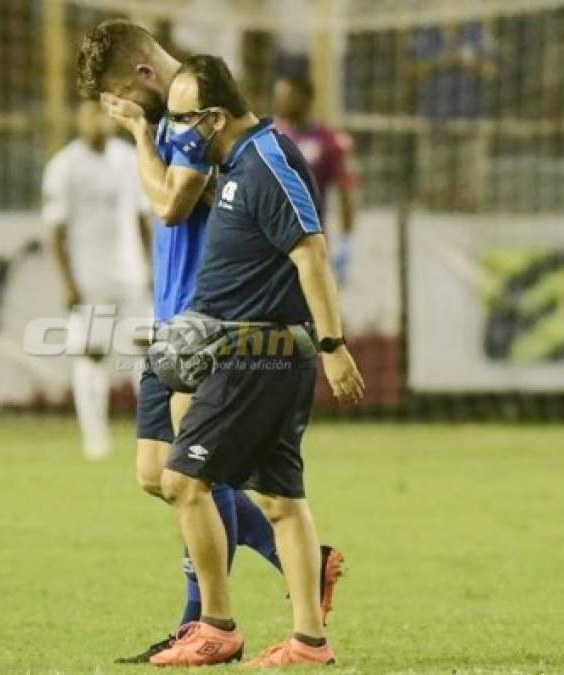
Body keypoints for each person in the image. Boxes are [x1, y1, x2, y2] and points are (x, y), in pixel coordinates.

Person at [76, 20, 345, 663]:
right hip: (181, 319)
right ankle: (296, 574)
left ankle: (209, 621)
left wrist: (141, 134)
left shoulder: (194, 124)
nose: (120, 104)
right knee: (164, 475)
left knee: (190, 477)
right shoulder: (191, 118)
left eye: (119, 91)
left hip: (215, 325)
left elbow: (171, 205)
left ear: (142, 77)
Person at [147, 55, 365, 667]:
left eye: (183, 120)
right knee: (280, 501)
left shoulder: (269, 161)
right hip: (257, 353)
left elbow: (311, 255)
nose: (177, 133)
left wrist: (334, 346)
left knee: (182, 481)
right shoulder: (239, 162)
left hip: (255, 353)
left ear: (215, 117)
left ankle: (216, 627)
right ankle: (309, 642)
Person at [42, 99, 152, 460]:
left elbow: (141, 219)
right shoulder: (64, 166)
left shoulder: (128, 157)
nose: (99, 120)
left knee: (145, 353)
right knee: (92, 355)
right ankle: (95, 438)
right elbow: (55, 231)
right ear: (79, 119)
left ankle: (152, 433)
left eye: (103, 113)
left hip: (131, 272)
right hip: (90, 277)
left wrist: (152, 267)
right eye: (90, 113)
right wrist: (67, 281)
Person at [272, 74, 358, 286]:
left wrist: (347, 240)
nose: (280, 102)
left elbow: (345, 191)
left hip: (310, 241)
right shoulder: (269, 136)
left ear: (306, 98)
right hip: (270, 241)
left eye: (287, 96)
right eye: (278, 96)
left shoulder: (328, 142)